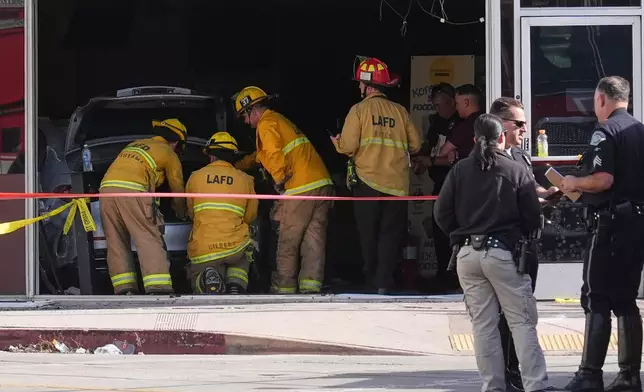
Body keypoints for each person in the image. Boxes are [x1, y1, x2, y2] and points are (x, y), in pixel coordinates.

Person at [434, 113, 553, 392]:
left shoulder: (460, 169)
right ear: (502, 138)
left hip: (467, 255)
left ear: (475, 139)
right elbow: (532, 217)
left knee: (483, 327)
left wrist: (459, 233)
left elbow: (440, 213)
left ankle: (493, 386)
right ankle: (536, 385)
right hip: (503, 254)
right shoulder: (515, 170)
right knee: (521, 322)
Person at [560, 76, 644, 392]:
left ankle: (589, 375)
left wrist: (572, 182)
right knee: (625, 299)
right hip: (636, 223)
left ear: (600, 99)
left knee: (595, 296)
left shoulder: (605, 130)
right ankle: (629, 376)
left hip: (610, 224)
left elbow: (603, 179)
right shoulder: (639, 130)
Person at [331, 56, 422, 294]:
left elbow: (349, 147)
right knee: (390, 235)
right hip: (397, 184)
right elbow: (416, 144)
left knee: (368, 234)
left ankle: (371, 280)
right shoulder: (400, 112)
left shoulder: (359, 110)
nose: (359, 87)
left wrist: (337, 143)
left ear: (367, 85)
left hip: (368, 182)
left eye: (360, 83)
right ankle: (384, 283)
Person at [232, 86, 334, 294]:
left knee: (287, 241)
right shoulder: (281, 121)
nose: (244, 122)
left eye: (244, 116)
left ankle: (283, 289)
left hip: (300, 189)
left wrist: (279, 182)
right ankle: (310, 287)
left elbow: (273, 154)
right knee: (313, 241)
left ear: (251, 110)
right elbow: (260, 156)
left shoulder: (266, 124)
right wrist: (236, 166)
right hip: (322, 186)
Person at [489, 97, 561, 392]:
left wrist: (551, 192)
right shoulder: (485, 160)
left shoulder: (520, 156)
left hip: (526, 244)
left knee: (522, 312)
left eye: (525, 124)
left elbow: (530, 188)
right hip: (502, 246)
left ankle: (514, 372)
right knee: (504, 316)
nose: (524, 129)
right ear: (500, 125)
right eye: (518, 123)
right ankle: (506, 376)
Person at [99, 118, 188, 295]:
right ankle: (158, 287)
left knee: (116, 241)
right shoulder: (168, 152)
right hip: (134, 192)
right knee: (148, 237)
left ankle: (125, 288)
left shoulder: (134, 144)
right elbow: (177, 187)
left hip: (105, 192)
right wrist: (182, 212)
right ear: (176, 142)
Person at [185, 131, 258, 295]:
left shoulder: (195, 177)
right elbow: (251, 215)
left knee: (197, 274)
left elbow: (191, 213)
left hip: (205, 246)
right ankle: (235, 283)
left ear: (210, 156)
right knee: (242, 257)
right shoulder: (245, 179)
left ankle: (207, 279)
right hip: (235, 244)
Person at [412, 82, 462, 292]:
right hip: (438, 186)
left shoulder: (461, 124)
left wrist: (429, 161)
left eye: (440, 105)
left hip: (457, 187)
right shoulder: (436, 124)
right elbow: (428, 147)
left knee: (453, 234)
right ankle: (443, 275)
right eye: (434, 105)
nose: (437, 109)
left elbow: (455, 158)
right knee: (438, 232)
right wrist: (420, 159)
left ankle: (457, 278)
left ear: (452, 102)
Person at [438, 84, 484, 165]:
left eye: (457, 103)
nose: (456, 108)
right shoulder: (486, 120)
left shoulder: (466, 126)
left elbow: (442, 152)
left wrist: (452, 151)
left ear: (466, 103)